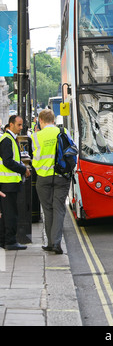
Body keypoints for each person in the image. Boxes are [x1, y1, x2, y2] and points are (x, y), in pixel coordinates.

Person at [31, 109, 72, 254]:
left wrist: (41, 169)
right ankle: (56, 243)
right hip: (61, 176)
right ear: (53, 120)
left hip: (43, 178)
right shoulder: (63, 131)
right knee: (59, 209)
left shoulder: (36, 136)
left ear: (40, 121)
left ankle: (50, 243)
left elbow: (35, 161)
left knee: (47, 210)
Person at [0, 115, 31, 250]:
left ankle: (3, 240)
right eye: (18, 125)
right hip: (8, 183)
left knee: (6, 213)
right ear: (11, 125)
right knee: (10, 213)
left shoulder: (10, 139)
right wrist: (23, 169)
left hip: (9, 182)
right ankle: (11, 241)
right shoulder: (7, 140)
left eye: (21, 125)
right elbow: (7, 161)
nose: (21, 127)